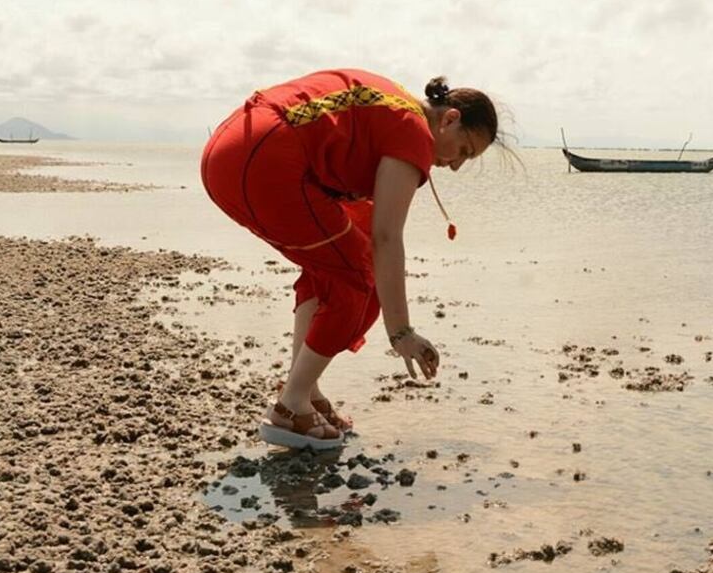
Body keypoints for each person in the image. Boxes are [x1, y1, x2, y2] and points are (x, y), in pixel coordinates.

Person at [200, 69, 501, 449]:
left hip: (228, 151)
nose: (456, 165)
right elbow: (387, 237)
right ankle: (289, 408)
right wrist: (402, 332)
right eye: (464, 150)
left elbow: (365, 219)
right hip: (264, 159)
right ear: (450, 119)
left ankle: (306, 391)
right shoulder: (415, 133)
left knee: (331, 264)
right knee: (358, 276)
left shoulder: (398, 104)